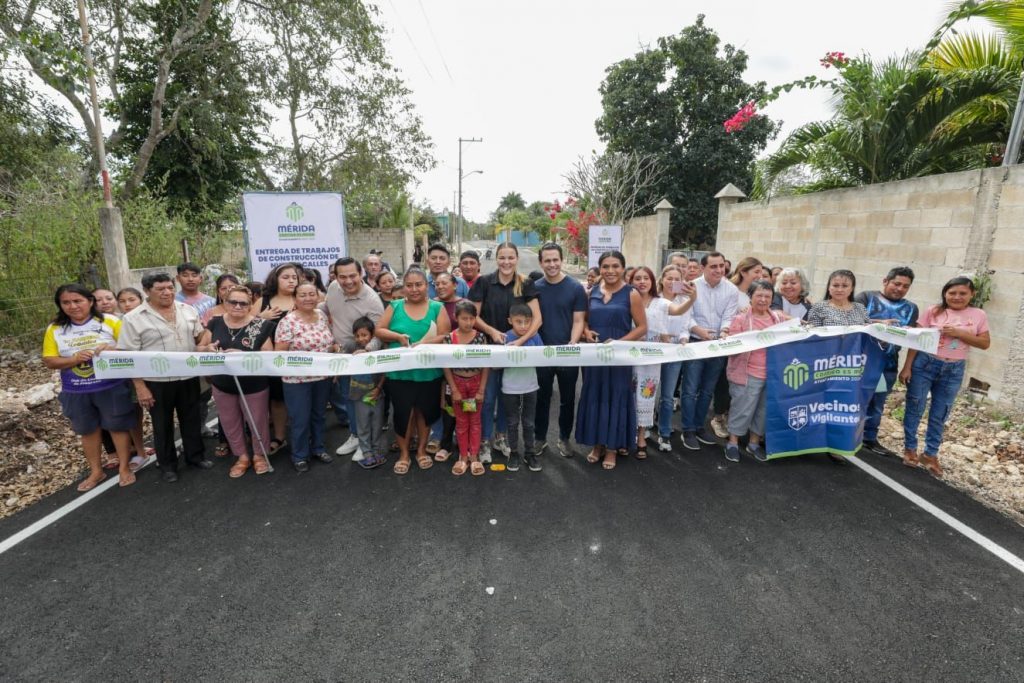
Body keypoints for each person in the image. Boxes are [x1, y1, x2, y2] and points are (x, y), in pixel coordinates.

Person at [118, 272, 212, 483]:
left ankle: (195, 457)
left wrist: (207, 337)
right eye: (160, 289)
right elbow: (129, 356)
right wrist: (140, 387)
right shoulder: (133, 318)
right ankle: (168, 465)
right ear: (146, 291)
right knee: (162, 424)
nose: (167, 292)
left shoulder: (187, 310)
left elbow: (199, 336)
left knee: (191, 418)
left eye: (170, 288)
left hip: (188, 375)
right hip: (156, 381)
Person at [43, 284, 136, 491]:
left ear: (90, 301)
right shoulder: (55, 328)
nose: (73, 306)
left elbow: (130, 348)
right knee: (87, 431)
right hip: (76, 390)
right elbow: (49, 360)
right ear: (60, 305)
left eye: (78, 301)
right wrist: (74, 359)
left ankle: (124, 467)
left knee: (117, 426)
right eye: (66, 302)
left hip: (111, 386)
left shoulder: (110, 321)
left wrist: (112, 350)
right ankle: (96, 471)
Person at [900, 277, 989, 478]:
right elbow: (916, 339)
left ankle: (930, 454)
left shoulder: (979, 315)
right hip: (926, 364)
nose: (957, 297)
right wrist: (907, 367)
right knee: (915, 405)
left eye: (962, 293)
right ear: (945, 294)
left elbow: (984, 343)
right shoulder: (933, 311)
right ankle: (910, 448)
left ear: (972, 294)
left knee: (941, 412)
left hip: (954, 369)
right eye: (952, 293)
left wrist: (960, 333)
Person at [468, 242, 542, 461]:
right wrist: (492, 331)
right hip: (490, 349)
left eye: (511, 257)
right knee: (488, 397)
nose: (506, 262)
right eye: (502, 257)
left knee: (507, 398)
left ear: (517, 259)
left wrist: (520, 342)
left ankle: (501, 437)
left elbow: (537, 319)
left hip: (515, 352)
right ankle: (484, 441)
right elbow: (473, 316)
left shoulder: (526, 283)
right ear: (496, 258)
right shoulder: (483, 282)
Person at [375, 267, 451, 474]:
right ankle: (404, 454)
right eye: (409, 285)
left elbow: (445, 335)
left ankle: (421, 451)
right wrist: (398, 337)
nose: (414, 289)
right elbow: (379, 330)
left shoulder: (437, 307)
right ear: (404, 287)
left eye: (419, 285)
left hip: (428, 372)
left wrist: (424, 344)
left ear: (427, 285)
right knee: (403, 414)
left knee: (424, 413)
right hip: (399, 373)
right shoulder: (395, 306)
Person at [576, 250, 648, 470]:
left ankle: (612, 449)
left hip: (618, 358)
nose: (610, 270)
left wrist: (618, 344)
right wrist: (586, 332)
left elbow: (642, 328)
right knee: (595, 396)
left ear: (623, 268)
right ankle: (597, 445)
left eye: (615, 266)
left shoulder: (631, 294)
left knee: (616, 396)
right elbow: (584, 321)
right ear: (600, 268)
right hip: (595, 357)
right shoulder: (592, 292)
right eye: (605, 266)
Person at [197, 286, 274, 477]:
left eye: (243, 303)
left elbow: (269, 355)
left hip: (253, 384)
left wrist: (244, 355)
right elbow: (199, 348)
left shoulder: (261, 325)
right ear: (225, 302)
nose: (238, 306)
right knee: (230, 422)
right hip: (222, 383)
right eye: (233, 302)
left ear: (250, 305)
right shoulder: (215, 322)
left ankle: (259, 455)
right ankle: (242, 456)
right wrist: (207, 349)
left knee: (257, 421)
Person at [322, 257, 384, 460]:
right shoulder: (333, 288)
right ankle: (355, 436)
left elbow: (378, 334)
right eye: (342, 277)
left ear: (361, 274)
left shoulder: (372, 300)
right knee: (348, 398)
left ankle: (366, 443)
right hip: (342, 357)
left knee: (364, 404)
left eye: (352, 276)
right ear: (335, 277)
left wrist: (366, 351)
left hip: (363, 359)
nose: (348, 281)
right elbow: (327, 308)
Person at [855, 266, 919, 458]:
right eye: (896, 283)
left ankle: (869, 438)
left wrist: (907, 367)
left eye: (905, 286)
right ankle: (848, 435)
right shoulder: (866, 297)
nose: (900, 289)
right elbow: (853, 322)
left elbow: (912, 338)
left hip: (888, 365)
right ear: (885, 281)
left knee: (877, 403)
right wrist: (879, 324)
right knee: (854, 399)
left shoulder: (911, 308)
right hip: (860, 362)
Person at [274, 282, 338, 473]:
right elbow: (280, 353)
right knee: (300, 419)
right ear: (295, 299)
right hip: (297, 380)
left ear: (318, 296)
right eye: (303, 295)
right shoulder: (287, 321)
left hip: (322, 377)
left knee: (319, 415)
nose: (308, 298)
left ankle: (318, 448)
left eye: (312, 294)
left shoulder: (322, 316)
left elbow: (329, 341)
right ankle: (300, 455)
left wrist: (335, 348)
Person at [723, 281, 788, 463]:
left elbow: (796, 328)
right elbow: (731, 347)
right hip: (747, 373)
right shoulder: (740, 319)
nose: (763, 300)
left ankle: (753, 443)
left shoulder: (778, 319)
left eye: (768, 296)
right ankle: (733, 442)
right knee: (742, 409)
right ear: (750, 297)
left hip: (772, 374)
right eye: (759, 295)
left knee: (763, 411)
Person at [533, 243, 587, 458]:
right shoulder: (534, 288)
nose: (552, 264)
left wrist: (572, 342)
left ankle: (564, 438)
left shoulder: (575, 288)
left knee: (567, 399)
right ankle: (539, 438)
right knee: (541, 398)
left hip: (567, 354)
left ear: (561, 260)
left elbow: (578, 320)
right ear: (541, 263)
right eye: (547, 260)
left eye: (555, 259)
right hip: (541, 354)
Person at [680, 252, 738, 451]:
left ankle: (699, 427)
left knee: (707, 391)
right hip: (695, 343)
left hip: (717, 345)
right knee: (690, 389)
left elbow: (729, 316)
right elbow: (685, 314)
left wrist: (724, 331)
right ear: (702, 268)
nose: (719, 270)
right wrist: (698, 331)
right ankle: (687, 430)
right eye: (713, 266)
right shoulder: (691, 286)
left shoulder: (731, 289)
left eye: (721, 266)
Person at [650, 265, 696, 453]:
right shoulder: (654, 300)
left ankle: (665, 432)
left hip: (675, 352)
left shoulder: (684, 301)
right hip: (654, 350)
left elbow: (685, 326)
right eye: (669, 278)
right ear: (662, 279)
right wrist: (661, 335)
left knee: (668, 396)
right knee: (648, 391)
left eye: (677, 279)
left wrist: (684, 338)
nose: (672, 282)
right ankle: (645, 426)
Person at [442, 301, 490, 476]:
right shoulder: (449, 339)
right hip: (457, 383)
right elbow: (446, 365)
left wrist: (481, 389)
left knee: (475, 421)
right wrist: (454, 389)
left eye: (471, 318)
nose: (468, 322)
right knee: (461, 422)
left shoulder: (481, 337)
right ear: (456, 318)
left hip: (476, 383)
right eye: (464, 318)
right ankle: (463, 456)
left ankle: (474, 456)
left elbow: (486, 364)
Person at [259, 262, 301, 453]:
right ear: (275, 279)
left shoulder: (303, 298)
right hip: (272, 361)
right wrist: (261, 317)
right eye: (286, 277)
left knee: (300, 400)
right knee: (277, 400)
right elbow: (245, 325)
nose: (291, 281)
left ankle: (305, 436)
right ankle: (279, 436)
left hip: (299, 361)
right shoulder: (264, 301)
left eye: (294, 277)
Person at [501, 303, 544, 472]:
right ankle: (513, 453)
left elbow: (543, 357)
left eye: (527, 322)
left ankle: (530, 453)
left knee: (529, 423)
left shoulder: (535, 336)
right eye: (519, 322)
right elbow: (496, 364)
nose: (524, 326)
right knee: (512, 422)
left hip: (530, 386)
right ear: (510, 320)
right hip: (510, 387)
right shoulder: (504, 337)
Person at [428, 271, 464, 458]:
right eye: (437, 284)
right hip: (435, 360)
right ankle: (437, 435)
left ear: (455, 285)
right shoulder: (430, 304)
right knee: (438, 399)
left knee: (457, 399)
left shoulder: (464, 304)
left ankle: (459, 435)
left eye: (444, 283)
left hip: (459, 363)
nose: (440, 287)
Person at [114, 286, 150, 463]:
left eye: (131, 300)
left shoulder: (149, 318)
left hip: (153, 371)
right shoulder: (114, 322)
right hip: (128, 375)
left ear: (140, 300)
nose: (127, 304)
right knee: (134, 413)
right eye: (122, 301)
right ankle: (140, 450)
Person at [349, 317, 387, 469]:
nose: (361, 339)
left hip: (377, 395)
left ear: (372, 335)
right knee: (363, 425)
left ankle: (376, 451)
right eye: (357, 335)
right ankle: (367, 454)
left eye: (364, 335)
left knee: (377, 425)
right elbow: (338, 357)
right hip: (359, 396)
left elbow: (385, 372)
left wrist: (378, 389)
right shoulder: (351, 348)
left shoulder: (379, 350)